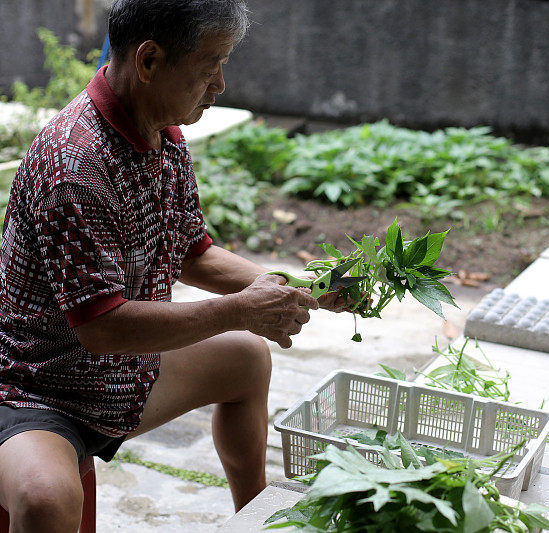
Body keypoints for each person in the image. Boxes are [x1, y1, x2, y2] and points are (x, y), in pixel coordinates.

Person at [0, 1, 350, 530]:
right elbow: (102, 327)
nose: (221, 84)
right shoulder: (75, 167)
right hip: (37, 387)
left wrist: (308, 288)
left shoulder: (161, 134)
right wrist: (239, 310)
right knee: (46, 497)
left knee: (246, 360)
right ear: (149, 60)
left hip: (120, 377)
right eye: (211, 66)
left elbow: (193, 252)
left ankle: (253, 518)